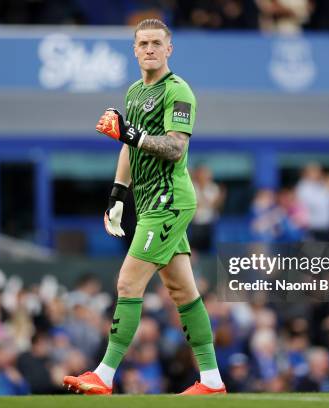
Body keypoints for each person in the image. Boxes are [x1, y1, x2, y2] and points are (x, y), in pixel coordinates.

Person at [63, 19, 225, 396]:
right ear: (134, 50)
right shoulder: (134, 92)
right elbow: (128, 146)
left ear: (169, 49)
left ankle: (104, 374)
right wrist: (118, 194)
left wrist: (131, 133)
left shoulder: (178, 90)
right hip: (149, 200)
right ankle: (213, 381)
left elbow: (175, 147)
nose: (150, 49)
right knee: (183, 293)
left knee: (127, 282)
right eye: (143, 43)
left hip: (170, 200)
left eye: (156, 43)